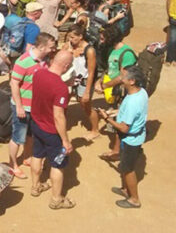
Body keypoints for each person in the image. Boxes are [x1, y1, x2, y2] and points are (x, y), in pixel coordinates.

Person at [29, 50, 75, 209]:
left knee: (37, 154)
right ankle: (56, 199)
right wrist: (65, 140)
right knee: (57, 164)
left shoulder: (38, 74)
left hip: (36, 124)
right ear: (67, 66)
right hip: (51, 131)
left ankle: (35, 186)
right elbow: (58, 116)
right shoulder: (60, 87)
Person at [97, 66, 148, 209]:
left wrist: (107, 118)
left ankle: (134, 199)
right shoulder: (141, 92)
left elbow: (124, 128)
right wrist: (117, 112)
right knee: (126, 166)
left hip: (130, 139)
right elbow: (131, 112)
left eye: (123, 76)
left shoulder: (132, 102)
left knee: (127, 169)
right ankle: (126, 190)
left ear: (131, 81)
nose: (120, 78)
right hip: (136, 136)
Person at [8, 32, 57, 179]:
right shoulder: (23, 61)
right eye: (51, 47)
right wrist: (19, 106)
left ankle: (27, 157)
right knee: (18, 136)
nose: (53, 49)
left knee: (31, 134)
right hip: (23, 107)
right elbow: (14, 83)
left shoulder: (45, 60)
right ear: (41, 47)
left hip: (36, 107)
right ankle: (13, 164)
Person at [96, 25, 138, 161]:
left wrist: (105, 85)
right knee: (115, 118)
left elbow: (123, 76)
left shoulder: (127, 54)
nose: (101, 41)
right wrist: (100, 80)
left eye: (103, 38)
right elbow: (110, 69)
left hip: (123, 92)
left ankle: (116, 151)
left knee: (119, 120)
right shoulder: (112, 50)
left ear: (111, 38)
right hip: (114, 91)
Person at [63, 24, 99, 140]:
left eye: (73, 37)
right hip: (70, 79)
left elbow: (91, 72)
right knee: (63, 102)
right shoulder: (68, 46)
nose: (70, 40)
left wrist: (87, 91)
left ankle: (95, 130)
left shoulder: (89, 51)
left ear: (81, 36)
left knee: (86, 105)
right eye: (69, 37)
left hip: (83, 80)